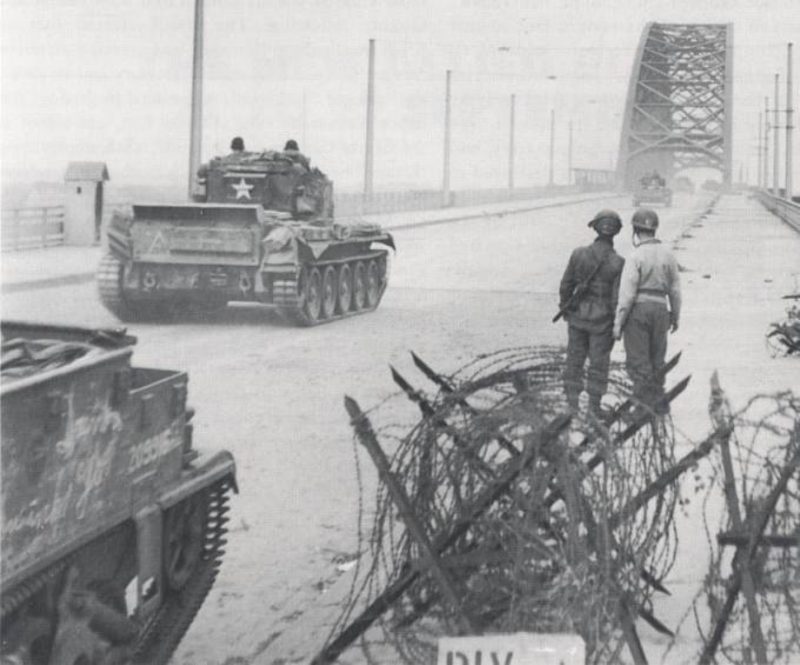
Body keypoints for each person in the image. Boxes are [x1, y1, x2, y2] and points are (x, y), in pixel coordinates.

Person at [613, 208, 681, 415]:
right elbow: (675, 290)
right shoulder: (668, 254)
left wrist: (618, 323)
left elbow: (627, 295)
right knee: (657, 357)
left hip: (639, 310)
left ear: (635, 230)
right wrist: (675, 316)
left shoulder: (635, 256)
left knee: (638, 359)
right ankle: (659, 401)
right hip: (661, 308)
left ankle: (642, 406)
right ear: (655, 229)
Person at [559, 209, 625, 416]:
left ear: (595, 227)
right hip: (602, 320)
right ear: (616, 232)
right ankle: (594, 408)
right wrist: (616, 323)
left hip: (577, 316)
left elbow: (565, 285)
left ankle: (572, 405)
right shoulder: (619, 262)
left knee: (574, 359)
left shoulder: (578, 253)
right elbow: (616, 298)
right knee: (599, 362)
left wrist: (566, 307)